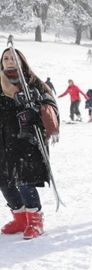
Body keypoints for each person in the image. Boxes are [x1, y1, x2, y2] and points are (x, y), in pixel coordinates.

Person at [0, 46, 60, 240]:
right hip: (3, 138)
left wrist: (34, 105)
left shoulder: (32, 82)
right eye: (6, 58)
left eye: (13, 58)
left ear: (21, 61)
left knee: (25, 180)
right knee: (4, 181)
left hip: (26, 138)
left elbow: (50, 103)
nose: (9, 61)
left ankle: (35, 219)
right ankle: (19, 217)